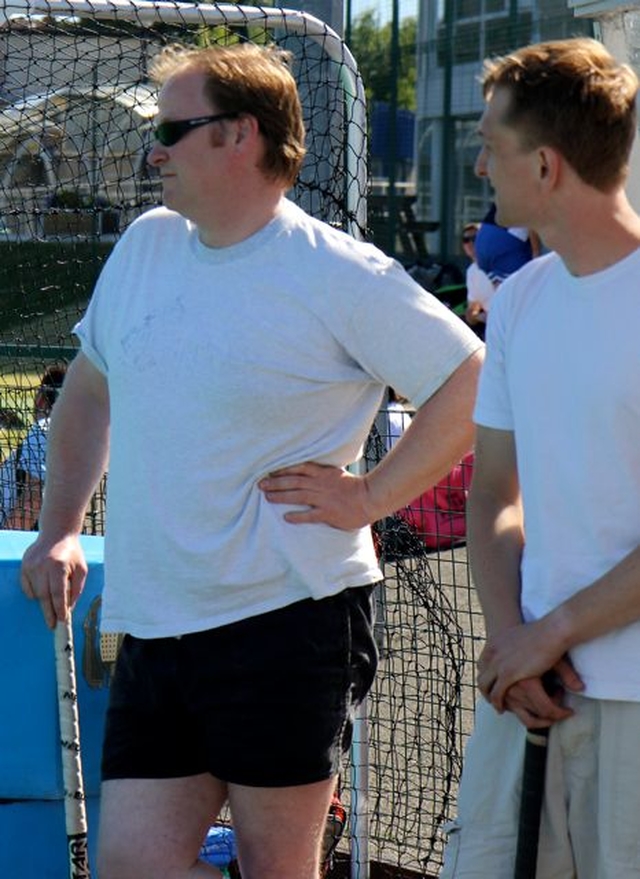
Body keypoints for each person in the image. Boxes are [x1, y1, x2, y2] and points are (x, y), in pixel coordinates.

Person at [19, 42, 483, 879]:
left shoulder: (334, 271)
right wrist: (56, 531)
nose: (154, 151)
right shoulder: (147, 246)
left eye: (172, 129)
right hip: (159, 625)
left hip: (288, 620)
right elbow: (89, 387)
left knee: (279, 868)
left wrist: (371, 494)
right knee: (131, 866)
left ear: (241, 136)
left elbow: (472, 378)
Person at [440, 37, 640, 878]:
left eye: (490, 143)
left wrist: (544, 635)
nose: (481, 165)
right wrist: (512, 641)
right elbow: (492, 494)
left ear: (548, 166)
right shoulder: (518, 302)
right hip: (526, 696)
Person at [1, 363, 67, 530]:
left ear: (40, 400)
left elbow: (33, 502)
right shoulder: (87, 435)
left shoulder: (46, 428)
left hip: (16, 545)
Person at [460, 222, 494, 334]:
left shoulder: (498, 265)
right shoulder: (471, 271)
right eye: (466, 240)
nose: (470, 243)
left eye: (474, 238)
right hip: (490, 328)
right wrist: (474, 316)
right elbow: (473, 309)